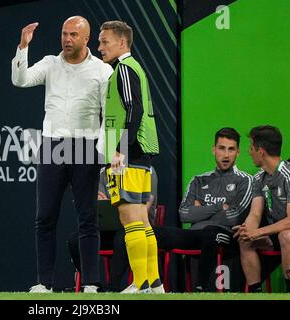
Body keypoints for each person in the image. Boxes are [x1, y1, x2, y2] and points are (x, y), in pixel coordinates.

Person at [11, 16, 113, 293]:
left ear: (86, 39)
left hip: (86, 147)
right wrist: (23, 46)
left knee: (88, 218)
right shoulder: (49, 63)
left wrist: (108, 155)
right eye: (64, 34)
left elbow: (111, 116)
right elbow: (20, 80)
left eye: (73, 35)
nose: (67, 39)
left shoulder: (102, 71)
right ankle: (44, 283)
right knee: (44, 217)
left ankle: (91, 282)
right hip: (53, 146)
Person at [97, 20, 163, 293]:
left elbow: (133, 109)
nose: (99, 47)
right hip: (139, 152)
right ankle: (154, 283)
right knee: (142, 220)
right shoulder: (129, 68)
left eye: (104, 42)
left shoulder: (124, 68)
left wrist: (121, 150)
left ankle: (141, 283)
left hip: (129, 153)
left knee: (130, 218)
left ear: (122, 43)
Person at [154, 127, 253, 292]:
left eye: (231, 149)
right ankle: (150, 287)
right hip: (196, 235)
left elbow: (234, 217)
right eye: (221, 148)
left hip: (227, 236)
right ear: (214, 150)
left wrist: (200, 212)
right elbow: (184, 214)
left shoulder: (245, 181)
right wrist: (220, 207)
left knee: (210, 232)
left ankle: (200, 289)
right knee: (153, 233)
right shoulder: (198, 180)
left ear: (238, 152)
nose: (226, 155)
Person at [67, 166, 159, 292]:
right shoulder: (103, 172)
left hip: (135, 229)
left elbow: (143, 209)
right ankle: (94, 284)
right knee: (75, 241)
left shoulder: (144, 170)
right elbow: (99, 204)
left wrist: (115, 204)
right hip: (107, 228)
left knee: (122, 238)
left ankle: (113, 289)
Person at [233, 125, 290, 293]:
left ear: (261, 151)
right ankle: (255, 293)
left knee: (287, 235)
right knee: (245, 240)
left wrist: (259, 232)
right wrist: (249, 230)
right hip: (276, 234)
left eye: (251, 148)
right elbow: (255, 213)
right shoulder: (259, 178)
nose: (249, 152)